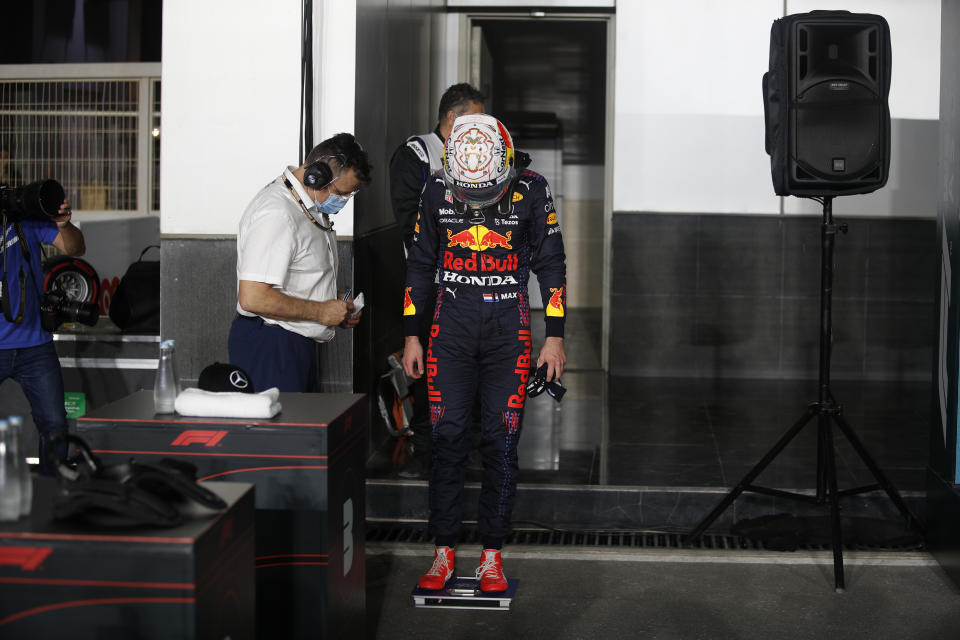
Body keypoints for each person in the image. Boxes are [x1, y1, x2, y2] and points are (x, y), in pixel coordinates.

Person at [402, 113, 567, 592]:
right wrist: (412, 334)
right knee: (447, 439)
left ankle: (492, 554)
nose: (475, 203)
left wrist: (554, 335)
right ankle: (442, 551)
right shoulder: (435, 190)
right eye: (466, 195)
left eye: (484, 194)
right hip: (447, 332)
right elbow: (419, 265)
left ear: (506, 165)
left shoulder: (533, 190)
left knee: (501, 441)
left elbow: (551, 264)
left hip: (507, 334)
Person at [389, 83, 485, 477]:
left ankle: (474, 451)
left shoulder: (482, 158)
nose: (484, 129)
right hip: (432, 287)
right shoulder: (417, 155)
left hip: (478, 286)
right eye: (477, 119)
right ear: (453, 117)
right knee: (434, 373)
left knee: (477, 369)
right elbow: (411, 222)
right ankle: (429, 453)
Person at [229, 133, 371, 392]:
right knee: (279, 431)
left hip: (294, 343)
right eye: (342, 193)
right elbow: (252, 297)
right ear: (317, 175)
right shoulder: (277, 214)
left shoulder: (306, 207)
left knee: (299, 428)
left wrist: (332, 300)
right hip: (271, 344)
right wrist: (321, 311)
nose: (343, 201)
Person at [0, 192, 85, 475]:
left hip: (34, 346)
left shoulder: (22, 217)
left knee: (54, 424)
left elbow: (74, 248)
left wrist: (63, 225)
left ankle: (52, 493)